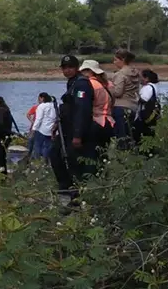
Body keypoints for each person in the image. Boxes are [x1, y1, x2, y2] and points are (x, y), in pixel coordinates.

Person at [50, 55, 99, 200]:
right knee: (55, 156)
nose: (67, 70)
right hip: (65, 129)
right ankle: (65, 190)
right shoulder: (72, 83)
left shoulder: (81, 84)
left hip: (76, 132)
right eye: (64, 68)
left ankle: (75, 196)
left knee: (73, 164)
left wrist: (78, 135)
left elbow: (81, 110)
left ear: (77, 68)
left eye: (70, 67)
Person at [78, 60, 116, 152]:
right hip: (109, 121)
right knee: (103, 152)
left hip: (95, 122)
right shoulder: (107, 84)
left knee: (91, 153)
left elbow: (82, 104)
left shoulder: (88, 84)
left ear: (89, 71)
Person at [110, 49, 140, 148]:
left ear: (122, 59)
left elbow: (118, 92)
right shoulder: (135, 73)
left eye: (115, 60)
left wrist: (109, 89)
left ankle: (122, 158)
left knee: (121, 137)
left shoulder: (120, 74)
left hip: (120, 107)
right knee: (129, 135)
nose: (114, 62)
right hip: (132, 107)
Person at [133, 69, 161, 144]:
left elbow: (143, 100)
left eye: (141, 77)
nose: (139, 79)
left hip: (145, 116)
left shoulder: (148, 88)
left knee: (139, 135)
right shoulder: (154, 87)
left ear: (146, 78)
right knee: (149, 136)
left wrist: (135, 95)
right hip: (151, 115)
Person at [31, 93, 56, 161]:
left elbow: (38, 119)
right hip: (51, 130)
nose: (38, 100)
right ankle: (46, 161)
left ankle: (37, 161)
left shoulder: (41, 106)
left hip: (41, 129)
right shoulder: (55, 105)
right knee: (47, 147)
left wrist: (33, 129)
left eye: (39, 98)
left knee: (37, 146)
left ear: (42, 98)